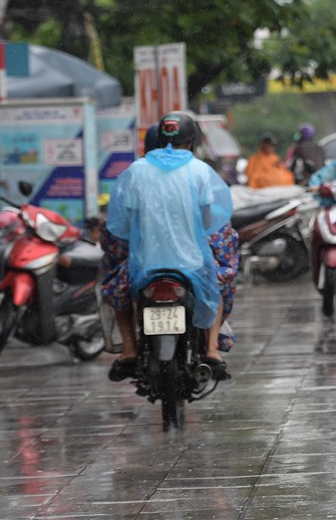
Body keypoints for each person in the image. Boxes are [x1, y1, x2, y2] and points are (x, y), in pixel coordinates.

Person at [102, 112, 237, 382]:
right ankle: (212, 349)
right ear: (192, 141)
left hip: (143, 266)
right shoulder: (200, 171)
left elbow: (120, 224)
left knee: (117, 289)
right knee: (219, 285)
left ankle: (129, 350)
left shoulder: (136, 172)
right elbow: (212, 220)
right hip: (193, 266)